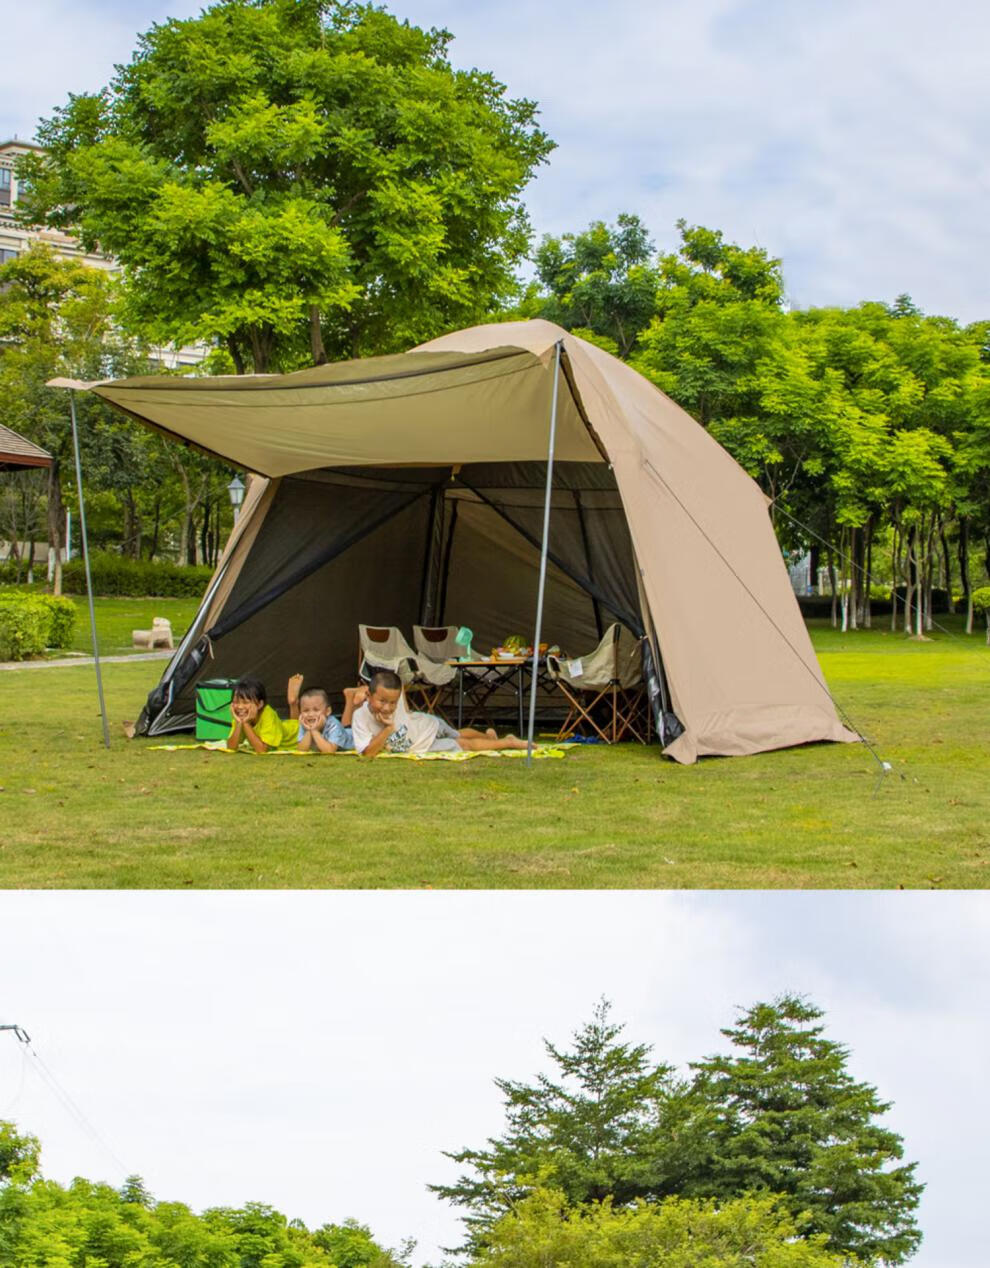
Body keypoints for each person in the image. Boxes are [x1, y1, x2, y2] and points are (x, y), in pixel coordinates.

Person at [351, 668, 528, 758]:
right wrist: (388, 729)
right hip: (423, 744)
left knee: (458, 734)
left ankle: (489, 737)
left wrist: (367, 691)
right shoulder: (360, 717)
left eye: (393, 703)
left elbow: (397, 680)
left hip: (428, 724)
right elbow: (367, 754)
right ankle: (509, 742)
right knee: (463, 744)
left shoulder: (394, 697)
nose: (387, 708)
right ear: (369, 696)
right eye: (382, 701)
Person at [286, 675, 366, 754]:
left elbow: (329, 751)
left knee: (350, 727)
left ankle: (358, 698)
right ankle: (350, 696)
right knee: (345, 727)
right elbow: (301, 749)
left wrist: (314, 730)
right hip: (344, 730)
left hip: (355, 736)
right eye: (306, 710)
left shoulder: (333, 725)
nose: (310, 714)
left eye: (316, 710)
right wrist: (309, 731)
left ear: (328, 711)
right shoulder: (305, 724)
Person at [226, 676, 285, 753]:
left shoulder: (268, 714)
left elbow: (261, 750)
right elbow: (231, 747)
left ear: (260, 704)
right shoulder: (241, 717)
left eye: (245, 702)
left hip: (294, 735)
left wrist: (246, 723)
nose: (240, 707)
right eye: (236, 702)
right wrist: (239, 723)